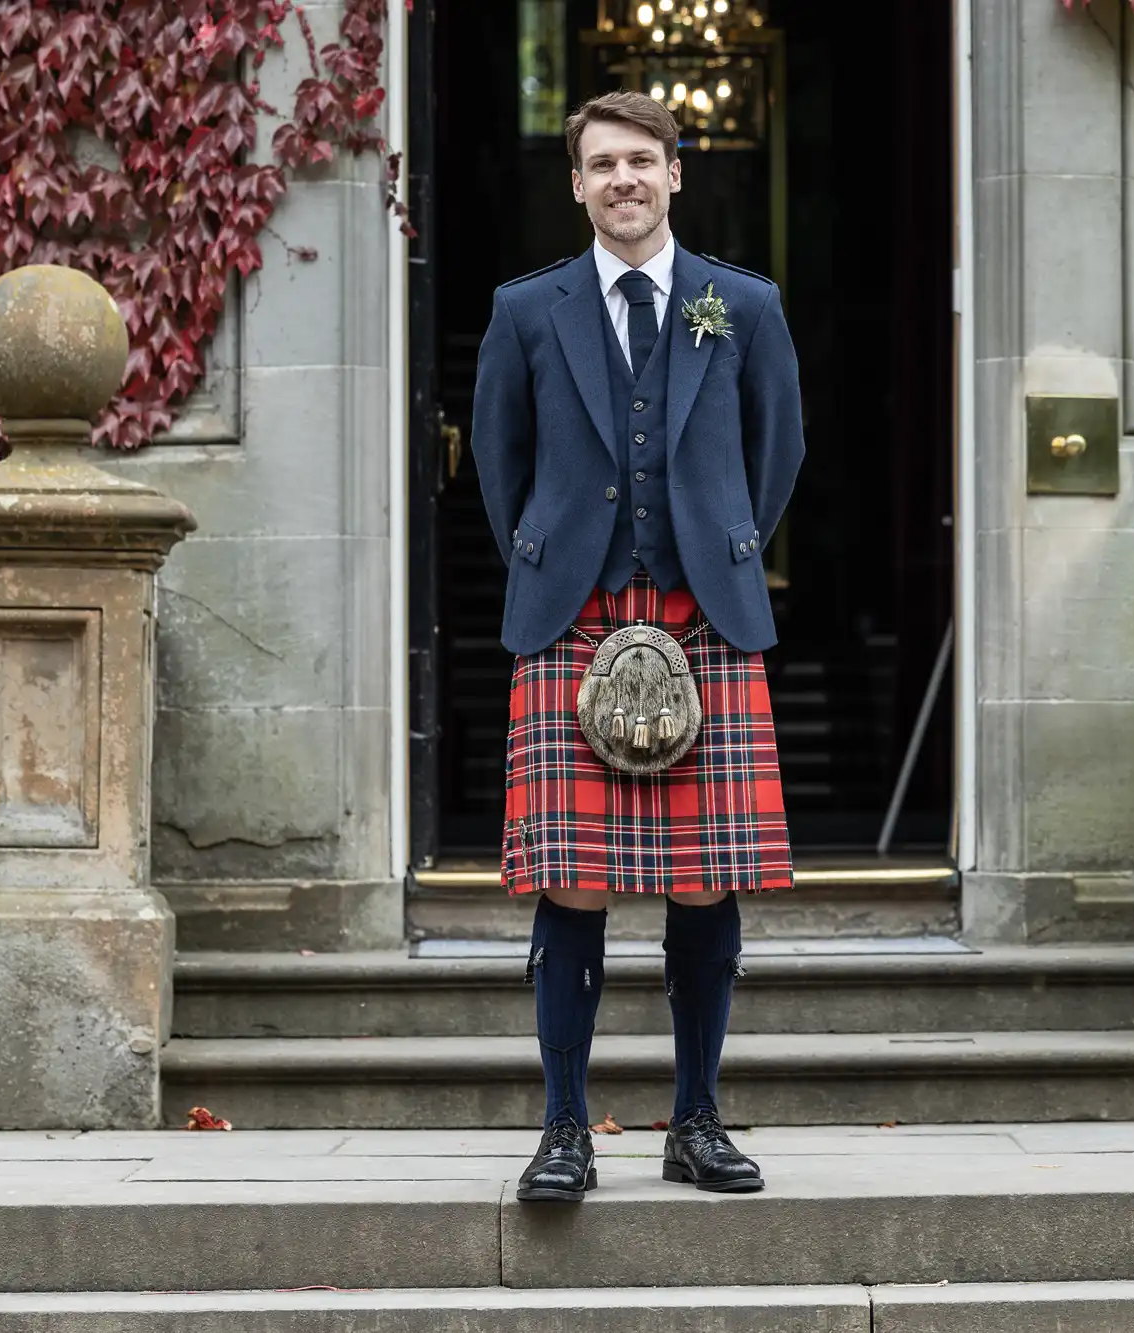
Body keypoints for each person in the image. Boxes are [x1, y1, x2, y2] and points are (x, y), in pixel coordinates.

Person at [469, 90, 805, 1204]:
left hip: (702, 619)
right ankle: (564, 1128)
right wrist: (550, 560)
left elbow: (777, 449)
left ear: (675, 173)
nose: (622, 178)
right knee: (568, 887)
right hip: (571, 619)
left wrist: (721, 546)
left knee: (706, 886)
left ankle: (695, 1119)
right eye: (601, 163)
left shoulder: (740, 305)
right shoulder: (527, 311)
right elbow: (498, 461)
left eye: (641, 160)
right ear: (576, 184)